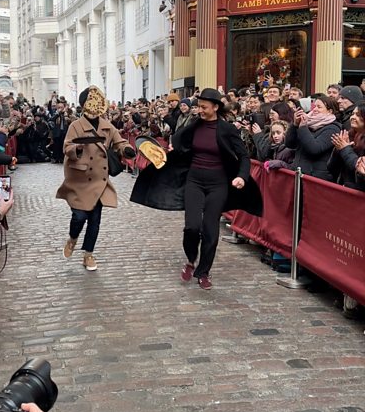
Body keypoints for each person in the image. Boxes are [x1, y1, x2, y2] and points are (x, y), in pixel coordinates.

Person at [131, 88, 262, 289]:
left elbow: (243, 156)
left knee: (210, 229)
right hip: (194, 182)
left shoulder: (228, 130)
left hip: (218, 185)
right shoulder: (194, 126)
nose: (199, 110)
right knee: (192, 226)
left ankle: (204, 271)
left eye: (203, 107)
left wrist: (242, 177)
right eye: (198, 106)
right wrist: (173, 150)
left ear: (215, 107)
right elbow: (180, 143)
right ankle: (191, 259)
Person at [56, 86, 135, 271]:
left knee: (95, 220)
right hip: (79, 179)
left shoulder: (107, 126)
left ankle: (88, 255)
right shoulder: (76, 125)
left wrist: (126, 149)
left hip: (99, 180)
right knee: (79, 216)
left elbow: (119, 141)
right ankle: (72, 238)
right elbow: (66, 147)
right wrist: (77, 149)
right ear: (84, 105)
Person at [285, 94, 341, 181]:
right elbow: (290, 144)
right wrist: (295, 125)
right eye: (314, 106)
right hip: (299, 174)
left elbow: (315, 148)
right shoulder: (308, 123)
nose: (315, 109)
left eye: (319, 107)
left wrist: (303, 127)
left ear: (330, 111)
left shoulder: (333, 128)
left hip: (316, 178)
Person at [328, 102, 365, 192]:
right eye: (352, 114)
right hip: (344, 189)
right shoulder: (350, 135)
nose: (352, 118)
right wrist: (338, 149)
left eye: (358, 115)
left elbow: (360, 167)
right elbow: (331, 168)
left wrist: (344, 149)